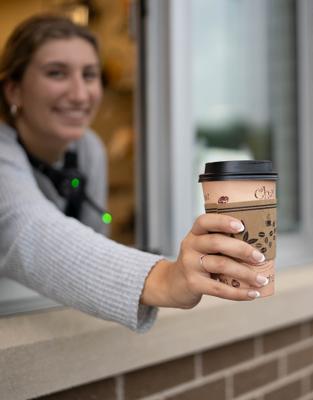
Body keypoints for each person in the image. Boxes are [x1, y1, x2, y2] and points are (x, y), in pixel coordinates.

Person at [0, 14, 269, 332]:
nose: (79, 93)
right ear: (14, 90)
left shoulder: (88, 149)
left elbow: (88, 242)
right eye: (56, 73)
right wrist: (165, 279)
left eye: (90, 75)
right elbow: (26, 230)